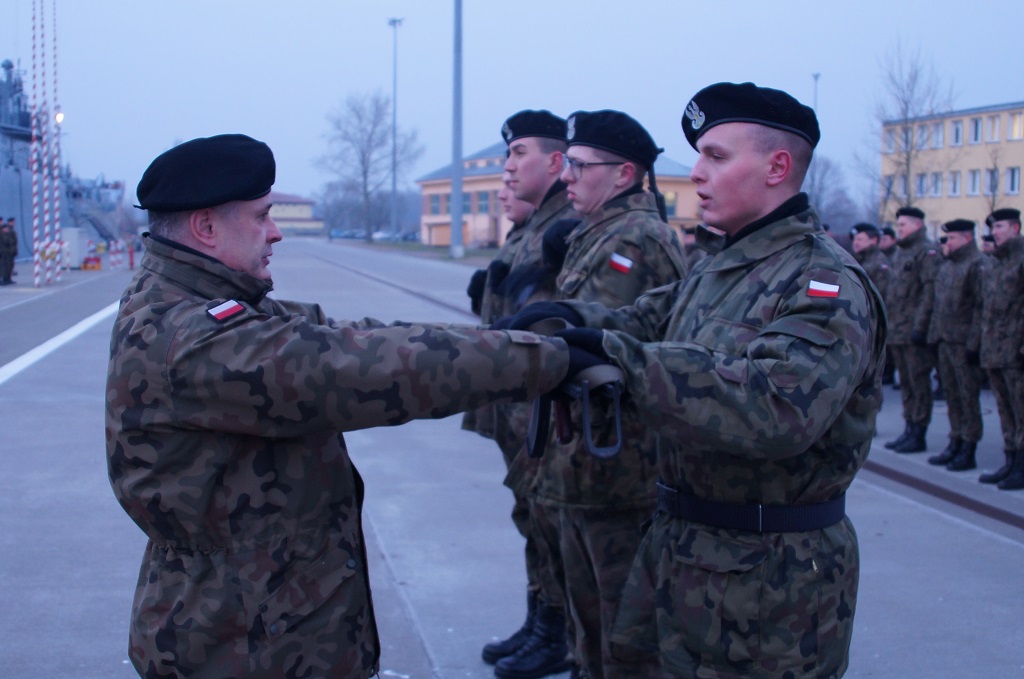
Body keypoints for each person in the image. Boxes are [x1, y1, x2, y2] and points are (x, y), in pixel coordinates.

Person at [104, 133, 572, 679]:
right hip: (242, 643)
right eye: (261, 216)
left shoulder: (198, 302)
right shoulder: (194, 337)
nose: (276, 231)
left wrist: (508, 338)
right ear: (206, 227)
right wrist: (547, 361)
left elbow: (352, 336)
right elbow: (364, 367)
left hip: (258, 619)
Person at [507, 82, 886, 677]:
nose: (698, 173)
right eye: (699, 156)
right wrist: (566, 321)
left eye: (716, 156)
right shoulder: (722, 267)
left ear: (776, 167)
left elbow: (777, 407)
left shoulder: (822, 281)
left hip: (770, 576)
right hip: (684, 549)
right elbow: (643, 320)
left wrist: (619, 359)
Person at [500, 109, 687, 679]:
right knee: (588, 632)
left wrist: (553, 329)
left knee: (623, 636)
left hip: (618, 468)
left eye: (580, 166)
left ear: (624, 174)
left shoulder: (637, 237)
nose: (568, 177)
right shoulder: (597, 231)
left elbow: (616, 341)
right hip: (584, 461)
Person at [465, 110, 580, 679]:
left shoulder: (568, 225)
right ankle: (540, 619)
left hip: (544, 406)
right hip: (516, 404)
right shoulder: (535, 225)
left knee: (550, 521)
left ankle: (555, 631)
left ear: (556, 162)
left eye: (518, 154)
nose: (508, 168)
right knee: (531, 516)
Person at [925, 219, 986, 470]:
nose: (946, 243)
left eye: (951, 238)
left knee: (967, 397)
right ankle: (956, 440)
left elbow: (981, 307)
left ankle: (969, 446)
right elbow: (937, 304)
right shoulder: (948, 265)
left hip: (963, 343)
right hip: (944, 340)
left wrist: (974, 343)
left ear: (966, 238)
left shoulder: (976, 264)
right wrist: (933, 335)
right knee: (951, 395)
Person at [884, 206, 940, 453]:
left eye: (903, 225)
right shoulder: (901, 252)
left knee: (918, 382)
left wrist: (921, 327)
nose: (899, 229)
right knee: (906, 382)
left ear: (917, 225)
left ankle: (919, 431)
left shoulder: (927, 252)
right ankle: (909, 427)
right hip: (898, 329)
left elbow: (929, 293)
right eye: (898, 225)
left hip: (915, 331)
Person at [979, 208, 1024, 490]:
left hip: (1016, 351)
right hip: (995, 349)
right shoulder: (996, 262)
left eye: (1000, 227)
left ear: (1015, 228)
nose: (994, 232)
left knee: (1021, 410)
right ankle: (1010, 460)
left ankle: (1021, 465)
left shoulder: (1020, 260)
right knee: (1005, 410)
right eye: (993, 228)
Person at [850, 222, 890, 302]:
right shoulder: (856, 260)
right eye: (854, 239)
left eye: (859, 239)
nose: (855, 243)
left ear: (874, 240)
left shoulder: (879, 263)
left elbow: (879, 296)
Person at [0, 217, 17, 285]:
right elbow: (7, 241)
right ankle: (4, 279)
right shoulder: (4, 233)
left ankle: (8, 279)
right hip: (4, 252)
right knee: (4, 266)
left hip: (9, 252)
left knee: (9, 266)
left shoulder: (10, 231)